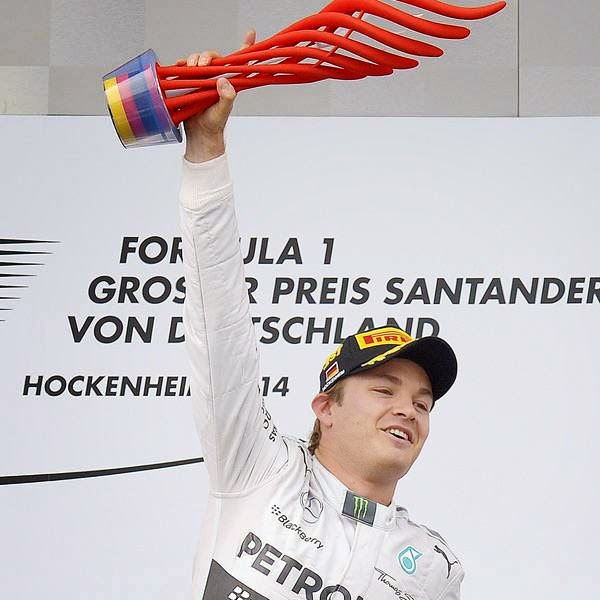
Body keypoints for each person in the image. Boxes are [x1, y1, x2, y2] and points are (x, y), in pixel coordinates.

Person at [179, 32, 462, 600]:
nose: (408, 409)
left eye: (423, 403)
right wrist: (207, 151)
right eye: (385, 390)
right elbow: (223, 326)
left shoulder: (433, 567)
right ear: (324, 408)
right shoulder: (259, 470)